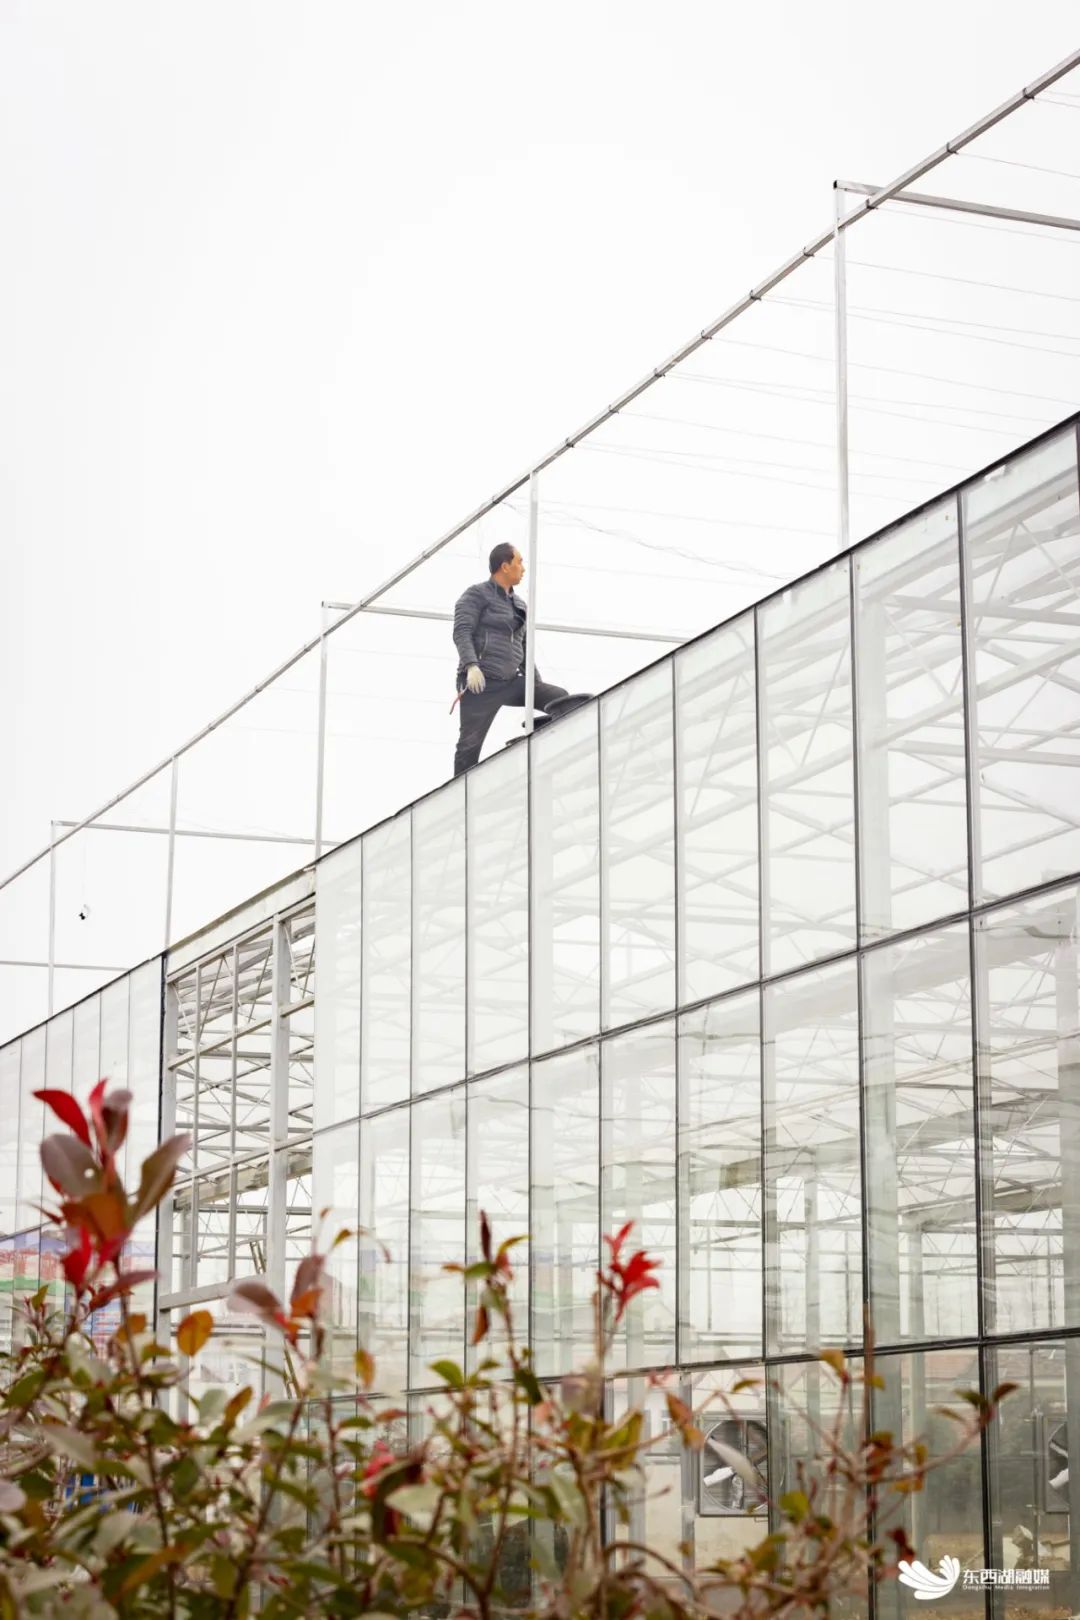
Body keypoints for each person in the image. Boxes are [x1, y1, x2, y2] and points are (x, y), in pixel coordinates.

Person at [452, 543, 568, 776]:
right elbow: (462, 631)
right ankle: (459, 798)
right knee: (469, 747)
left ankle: (539, 740)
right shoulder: (476, 595)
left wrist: (535, 683)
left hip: (510, 681)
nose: (523, 569)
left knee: (560, 699)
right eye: (520, 562)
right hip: (481, 683)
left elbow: (523, 645)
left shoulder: (519, 604)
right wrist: (471, 665)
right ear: (505, 567)